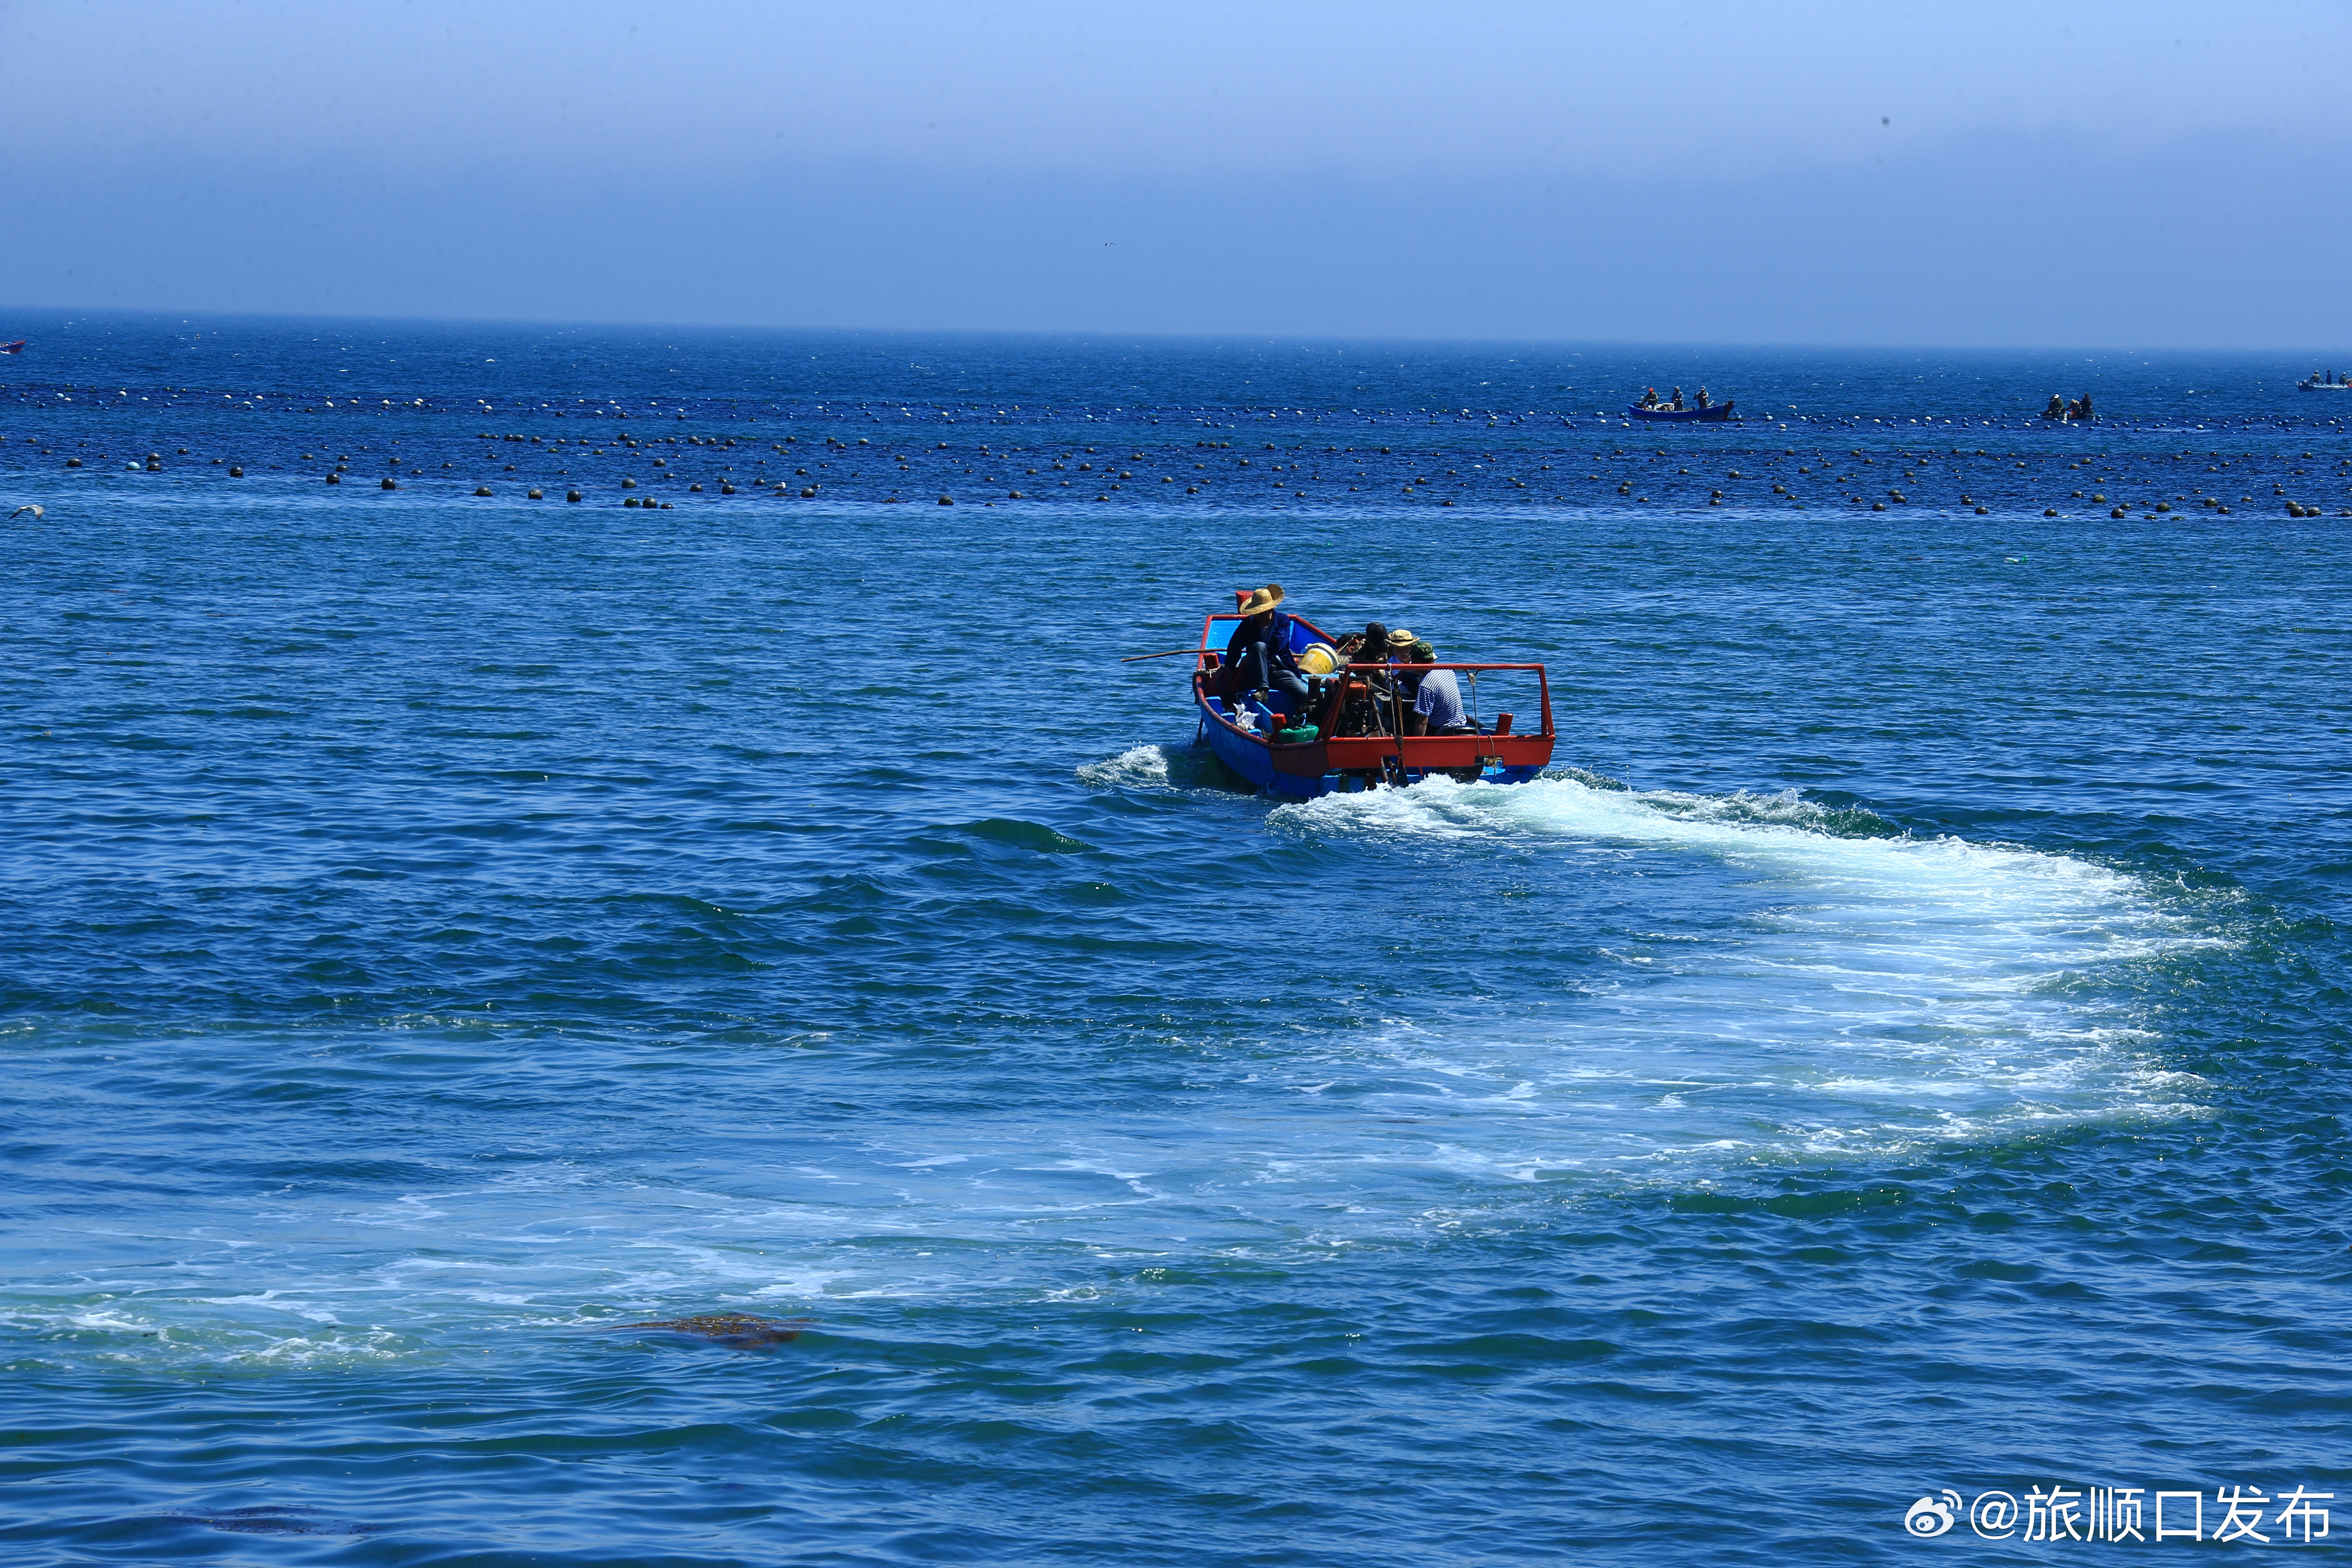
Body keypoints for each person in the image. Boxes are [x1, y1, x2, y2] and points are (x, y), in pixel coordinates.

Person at [1217, 583, 1308, 715]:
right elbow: (1234, 647)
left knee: (1303, 694)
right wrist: (1230, 669)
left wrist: (1253, 653)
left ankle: (1299, 721)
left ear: (1270, 609)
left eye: (1262, 611)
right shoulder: (1248, 623)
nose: (1258, 614)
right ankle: (1263, 689)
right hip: (1255, 670)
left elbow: (1278, 644)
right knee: (1259, 646)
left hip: (1278, 669)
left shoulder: (1283, 620)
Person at [1401, 638, 1470, 735]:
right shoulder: (1448, 671)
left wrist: (1417, 744)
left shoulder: (1426, 686)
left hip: (1440, 731)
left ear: (1415, 660)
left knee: (1407, 722)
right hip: (1460, 725)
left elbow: (1423, 722)